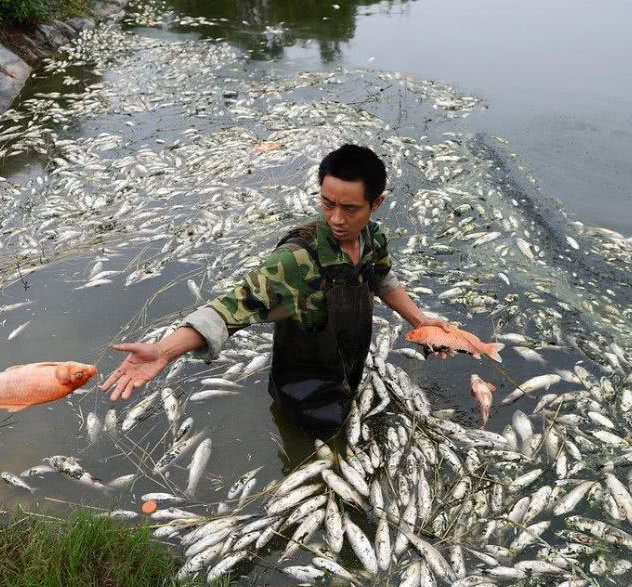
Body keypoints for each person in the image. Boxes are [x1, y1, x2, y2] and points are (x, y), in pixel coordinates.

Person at [101, 144, 451, 431]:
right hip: (304, 387)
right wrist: (165, 350)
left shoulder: (373, 238)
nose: (336, 219)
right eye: (327, 203)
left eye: (350, 208)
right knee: (311, 444)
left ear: (377, 203)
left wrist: (421, 323)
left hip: (348, 362)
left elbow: (382, 279)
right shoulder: (296, 259)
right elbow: (229, 309)